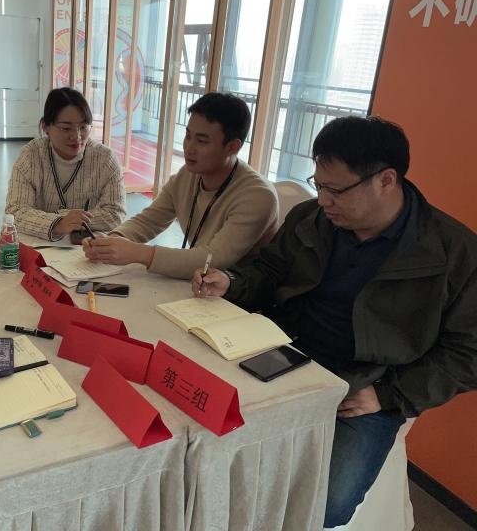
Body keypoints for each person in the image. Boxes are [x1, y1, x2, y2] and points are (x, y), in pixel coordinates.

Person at [192, 116, 477, 526]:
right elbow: (269, 271)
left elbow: (467, 354)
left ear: (386, 180)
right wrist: (232, 282)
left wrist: (387, 395)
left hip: (367, 384)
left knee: (326, 499)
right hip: (285, 351)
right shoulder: (310, 218)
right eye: (319, 185)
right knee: (206, 444)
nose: (324, 200)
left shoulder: (454, 253)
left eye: (336, 190)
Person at [82, 91, 278, 279]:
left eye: (202, 141)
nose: (189, 148)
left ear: (232, 147)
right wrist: (111, 239)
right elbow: (149, 221)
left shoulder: (258, 196)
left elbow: (213, 260)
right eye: (188, 136)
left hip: (235, 295)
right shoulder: (188, 175)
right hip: (198, 285)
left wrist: (139, 253)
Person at [5, 87, 126, 240]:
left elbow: (116, 213)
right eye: (66, 128)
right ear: (45, 126)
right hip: (40, 244)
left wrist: (71, 220)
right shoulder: (31, 156)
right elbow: (15, 211)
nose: (76, 136)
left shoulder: (105, 159)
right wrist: (59, 223)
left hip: (87, 247)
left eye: (83, 127)